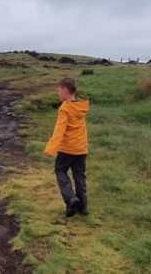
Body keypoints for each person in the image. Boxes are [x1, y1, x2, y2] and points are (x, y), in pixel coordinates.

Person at [44, 77, 90, 217]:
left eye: (59, 90)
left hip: (67, 149)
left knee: (60, 171)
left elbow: (59, 130)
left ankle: (71, 199)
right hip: (81, 149)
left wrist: (50, 148)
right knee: (79, 177)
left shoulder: (65, 108)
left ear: (65, 90)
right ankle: (82, 207)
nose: (58, 93)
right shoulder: (81, 106)